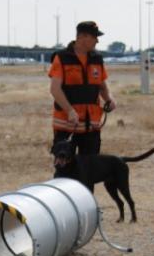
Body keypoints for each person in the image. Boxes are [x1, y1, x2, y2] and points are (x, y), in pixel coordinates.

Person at [49, 20, 116, 155]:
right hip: (66, 124)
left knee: (91, 164)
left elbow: (102, 86)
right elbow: (55, 89)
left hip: (91, 125)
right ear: (82, 37)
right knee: (65, 165)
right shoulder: (62, 57)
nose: (97, 41)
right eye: (94, 37)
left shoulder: (97, 58)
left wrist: (109, 99)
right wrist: (70, 111)